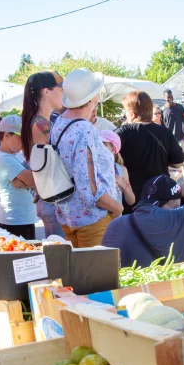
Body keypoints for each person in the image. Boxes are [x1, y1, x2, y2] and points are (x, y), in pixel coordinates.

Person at [50, 69, 123, 247]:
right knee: (99, 273)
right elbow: (91, 189)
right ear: (92, 97)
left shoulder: (60, 122)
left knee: (79, 271)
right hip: (93, 218)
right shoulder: (85, 129)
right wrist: (116, 208)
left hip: (67, 215)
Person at [116, 91, 184, 214]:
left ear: (132, 113)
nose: (125, 114)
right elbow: (178, 162)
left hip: (132, 199)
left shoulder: (121, 133)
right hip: (160, 196)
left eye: (125, 111)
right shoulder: (165, 132)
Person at [20, 70, 66, 239]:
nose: (63, 94)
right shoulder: (41, 124)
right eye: (60, 90)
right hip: (54, 199)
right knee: (60, 259)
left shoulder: (37, 121)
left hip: (49, 199)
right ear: (46, 91)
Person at [0, 115, 39, 239]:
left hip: (21, 219)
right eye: (20, 137)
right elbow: (35, 179)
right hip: (14, 221)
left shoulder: (16, 154)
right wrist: (31, 182)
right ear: (7, 135)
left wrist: (27, 183)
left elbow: (35, 179)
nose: (24, 142)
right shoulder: (4, 158)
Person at [98, 130, 135, 208]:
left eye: (103, 145)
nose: (98, 148)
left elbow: (131, 201)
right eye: (96, 144)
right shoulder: (92, 167)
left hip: (115, 217)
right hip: (97, 217)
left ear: (113, 149)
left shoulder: (121, 170)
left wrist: (124, 186)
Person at [162, 89, 184, 183]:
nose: (169, 99)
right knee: (169, 163)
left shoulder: (179, 107)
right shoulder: (163, 110)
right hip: (168, 141)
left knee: (183, 163)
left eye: (170, 97)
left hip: (179, 139)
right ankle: (171, 183)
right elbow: (163, 125)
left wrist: (183, 137)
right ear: (164, 98)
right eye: (167, 98)